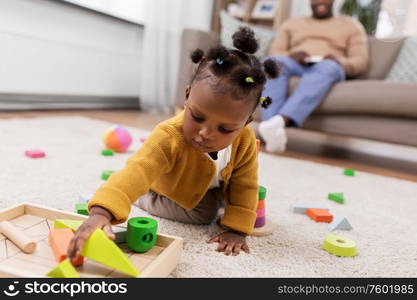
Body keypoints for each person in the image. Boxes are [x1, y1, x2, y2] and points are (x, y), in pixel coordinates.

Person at [67, 27, 279, 259]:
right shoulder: (169, 135)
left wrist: (238, 230)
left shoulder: (246, 141)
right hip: (167, 190)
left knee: (235, 200)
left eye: (225, 129)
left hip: (212, 187)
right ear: (187, 96)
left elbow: (245, 183)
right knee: (205, 214)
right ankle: (143, 197)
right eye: (197, 117)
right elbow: (137, 170)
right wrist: (102, 212)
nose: (205, 133)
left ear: (246, 122)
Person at [258, 0, 369, 153]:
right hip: (296, 64)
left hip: (327, 67)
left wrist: (338, 61)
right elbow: (274, 52)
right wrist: (291, 55)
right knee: (272, 62)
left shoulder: (351, 26)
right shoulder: (291, 24)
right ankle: (271, 131)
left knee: (328, 67)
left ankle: (278, 122)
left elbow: (360, 62)